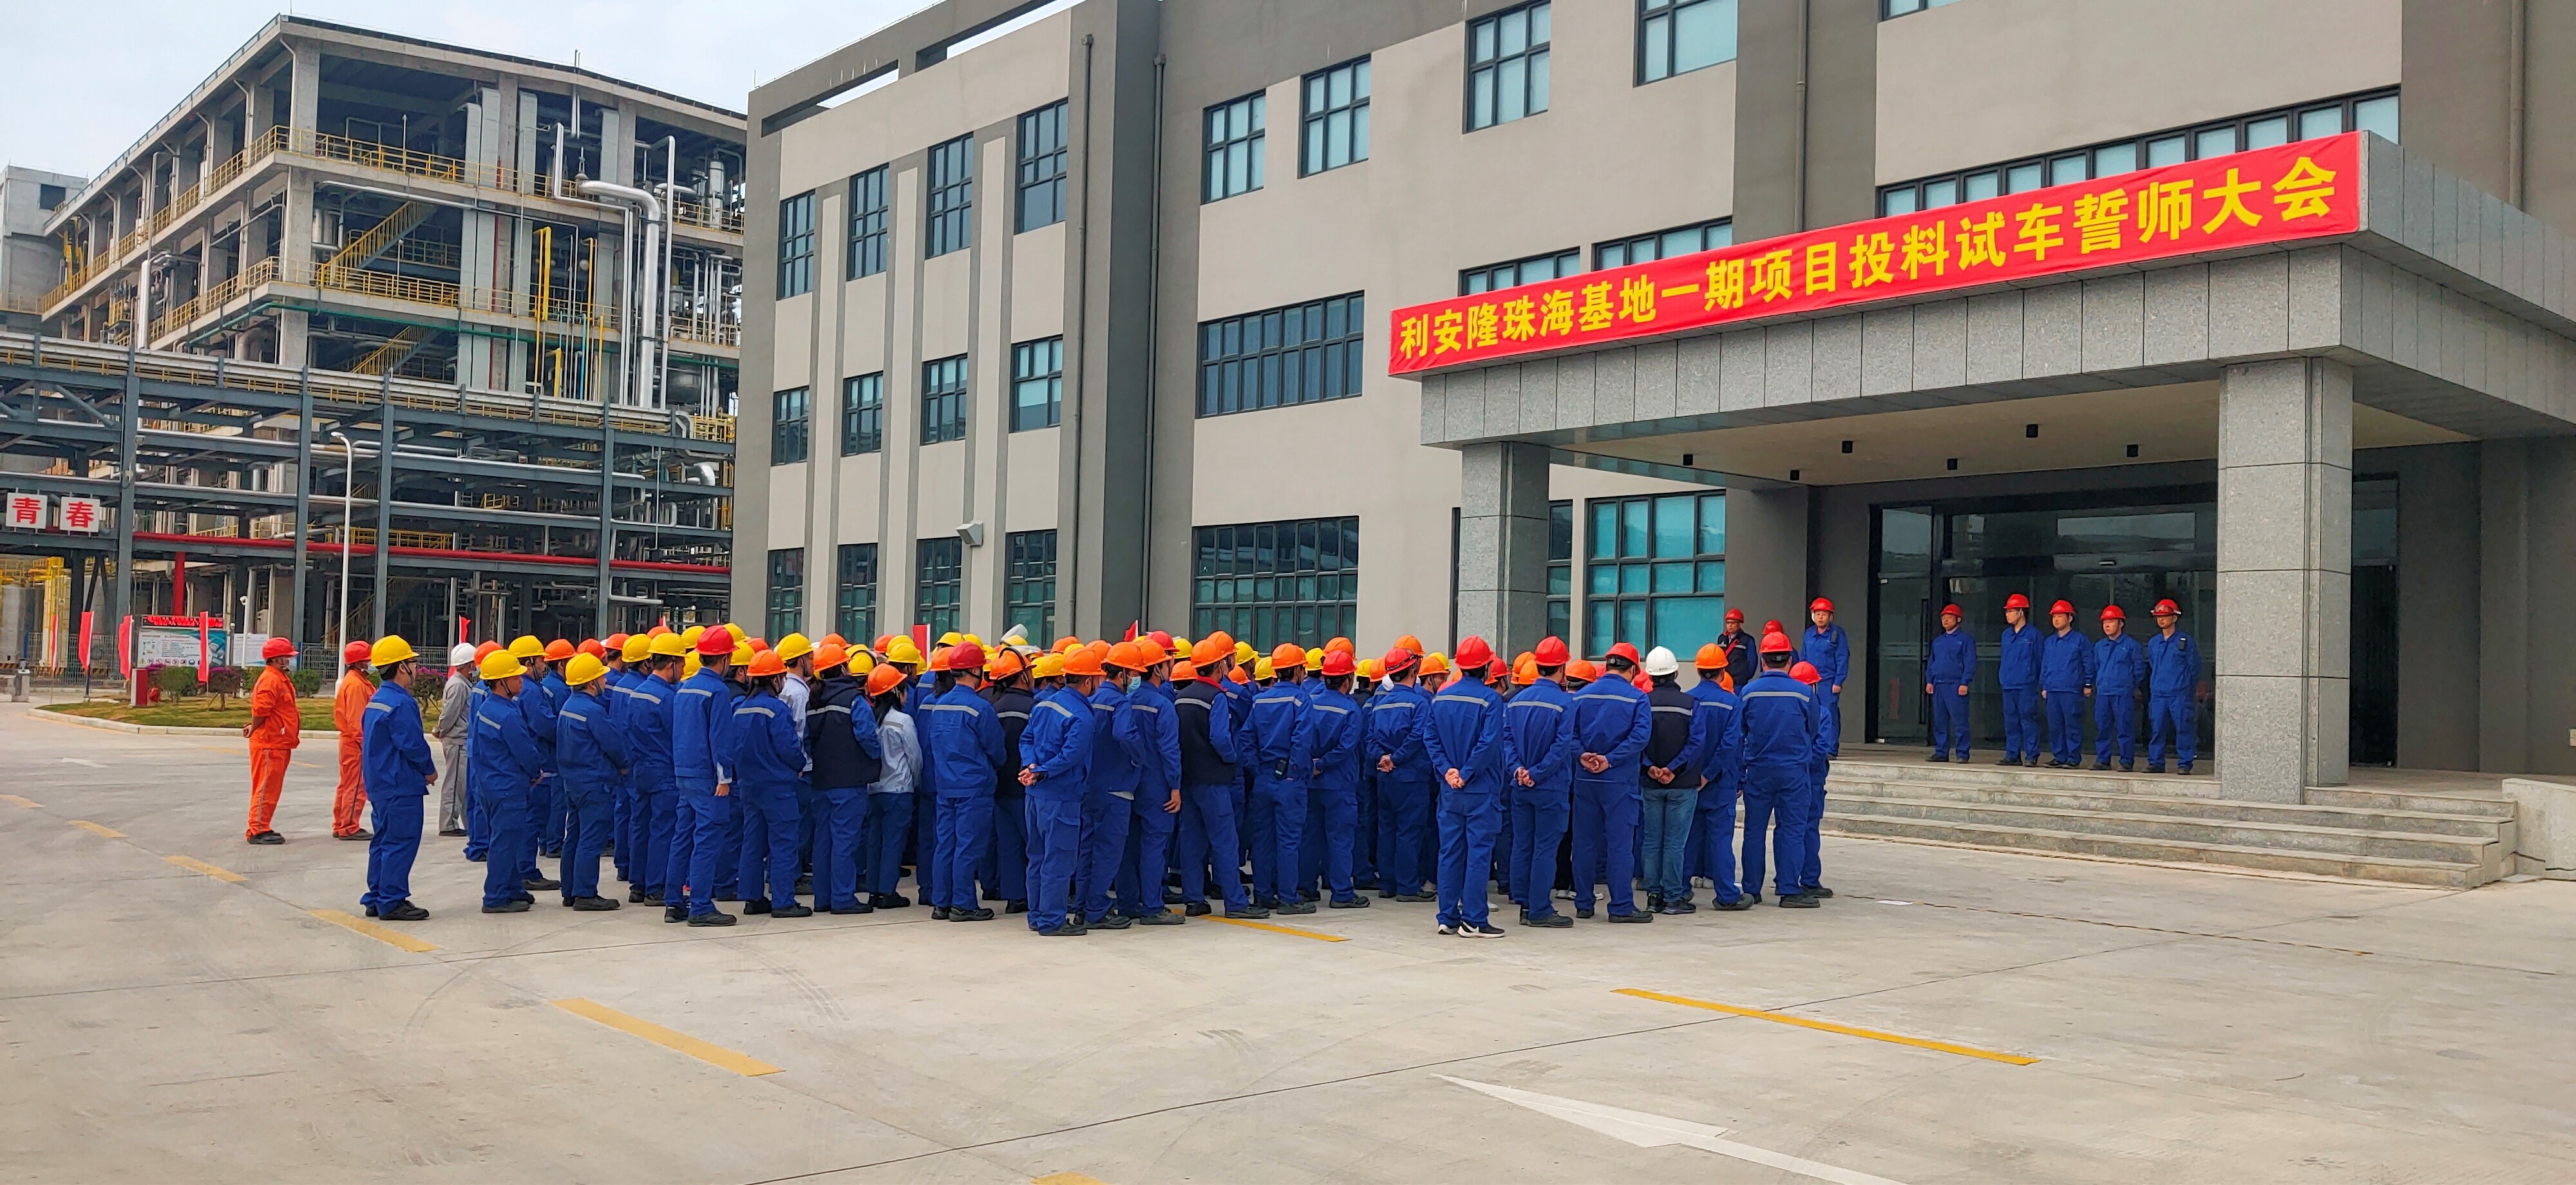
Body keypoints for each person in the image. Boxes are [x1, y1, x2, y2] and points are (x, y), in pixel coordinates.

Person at [1419, 636, 1513, 938]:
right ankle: (1474, 919)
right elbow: (1489, 743)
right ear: (1487, 668)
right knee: (1478, 854)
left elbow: (1430, 738)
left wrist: (1448, 771)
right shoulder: (1490, 700)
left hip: (1451, 789)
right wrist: (1467, 773)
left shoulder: (1441, 697)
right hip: (1480, 788)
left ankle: (1447, 917)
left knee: (1450, 852)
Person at [1174, 639, 1264, 919]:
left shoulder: (1182, 697)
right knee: (1225, 841)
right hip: (1214, 779)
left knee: (1192, 840)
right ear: (1221, 665)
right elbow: (1221, 738)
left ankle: (1193, 899)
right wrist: (1232, 759)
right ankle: (1235, 902)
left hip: (1188, 778)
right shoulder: (1218, 697)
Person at [1739, 632, 1827, 907]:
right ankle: (1789, 889)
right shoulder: (1804, 693)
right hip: (1794, 771)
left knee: (1754, 831)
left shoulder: (1748, 692)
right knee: (1792, 830)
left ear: (1762, 660)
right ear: (1790, 660)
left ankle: (1752, 889)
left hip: (1759, 770)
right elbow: (1813, 730)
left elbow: (1741, 731)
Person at [724, 650, 812, 918]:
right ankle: (783, 901)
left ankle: (752, 898)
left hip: (749, 786)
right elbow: (789, 746)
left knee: (753, 843)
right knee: (783, 843)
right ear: (775, 679)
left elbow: (733, 747)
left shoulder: (741, 708)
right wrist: (799, 764)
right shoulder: (776, 709)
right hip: (777, 787)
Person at [1568, 642, 1651, 922]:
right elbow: (1640, 737)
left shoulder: (1581, 696)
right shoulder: (1638, 699)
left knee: (1584, 843)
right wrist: (1610, 759)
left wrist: (1583, 756)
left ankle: (1583, 903)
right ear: (1633, 670)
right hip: (1619, 780)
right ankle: (1621, 906)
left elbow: (1569, 734)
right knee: (1620, 846)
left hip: (1585, 778)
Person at [923, 641, 1006, 923]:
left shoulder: (939, 706)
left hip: (945, 785)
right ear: (975, 670)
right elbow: (997, 750)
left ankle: (942, 903)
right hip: (974, 787)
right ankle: (964, 904)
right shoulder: (980, 708)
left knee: (945, 844)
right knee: (968, 847)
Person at [1020, 645, 1099, 935]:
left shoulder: (1043, 704)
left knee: (1037, 857)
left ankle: (1037, 915)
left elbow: (1026, 739)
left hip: (1035, 794)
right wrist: (1042, 770)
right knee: (1059, 860)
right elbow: (1071, 756)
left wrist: (1032, 767)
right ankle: (1052, 920)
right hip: (1061, 796)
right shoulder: (1082, 715)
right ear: (1089, 680)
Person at [357, 636, 435, 922]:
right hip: (400, 784)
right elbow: (412, 744)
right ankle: (392, 900)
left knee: (383, 841)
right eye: (412, 663)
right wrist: (429, 769)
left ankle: (376, 896)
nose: (416, 668)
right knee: (401, 842)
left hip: (381, 784)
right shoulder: (402, 703)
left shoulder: (378, 699)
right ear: (402, 667)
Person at [806, 642, 884, 914]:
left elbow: (807, 741)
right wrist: (876, 757)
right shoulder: (853, 699)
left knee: (823, 840)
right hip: (849, 782)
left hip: (821, 780)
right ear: (843, 668)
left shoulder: (814, 700)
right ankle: (842, 898)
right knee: (845, 841)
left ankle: (823, 898)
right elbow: (868, 736)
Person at [1505, 637, 1577, 928]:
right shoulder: (1565, 703)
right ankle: (1539, 909)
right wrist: (1537, 773)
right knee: (1545, 848)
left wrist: (1518, 770)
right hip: (1550, 786)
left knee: (1522, 844)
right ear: (1561, 668)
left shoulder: (1516, 701)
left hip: (1520, 785)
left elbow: (1507, 740)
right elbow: (1561, 748)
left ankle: (1524, 903)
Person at [669, 629, 739, 925]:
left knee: (682, 838)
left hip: (684, 772)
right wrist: (725, 778)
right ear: (724, 659)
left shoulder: (685, 688)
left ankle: (674, 902)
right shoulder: (718, 691)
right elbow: (720, 739)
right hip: (707, 776)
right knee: (707, 840)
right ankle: (700, 906)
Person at [469, 647, 544, 913]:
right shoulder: (509, 715)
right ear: (501, 682)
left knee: (505, 840)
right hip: (508, 787)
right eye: (515, 677)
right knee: (505, 843)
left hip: (490, 785)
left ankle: (512, 888)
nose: (520, 681)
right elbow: (525, 752)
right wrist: (535, 773)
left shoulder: (487, 708)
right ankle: (496, 896)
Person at [553, 652, 630, 911]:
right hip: (594, 783)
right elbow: (613, 744)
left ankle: (570, 890)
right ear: (591, 682)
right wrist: (623, 766)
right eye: (601, 677)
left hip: (573, 782)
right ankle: (585, 893)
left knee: (574, 835)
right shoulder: (593, 711)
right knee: (591, 838)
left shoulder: (569, 706)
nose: (605, 681)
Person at [1119, 640, 1187, 924]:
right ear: (1158, 668)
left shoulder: (1127, 701)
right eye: (1168, 662)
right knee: (1155, 845)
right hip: (1157, 783)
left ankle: (1129, 902)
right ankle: (1152, 906)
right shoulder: (1162, 705)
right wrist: (1175, 786)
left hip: (1130, 780)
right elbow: (1170, 750)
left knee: (1130, 845)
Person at [1298, 648, 1369, 909]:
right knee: (1341, 839)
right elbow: (1347, 747)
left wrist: (1311, 764)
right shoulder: (1351, 709)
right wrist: (1323, 764)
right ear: (1348, 679)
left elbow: (1301, 736)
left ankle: (1306, 887)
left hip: (1311, 780)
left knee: (1310, 837)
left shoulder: (1310, 701)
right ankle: (1342, 893)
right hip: (1339, 783)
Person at [1685, 642, 1750, 911]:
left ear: (1698, 671)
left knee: (1689, 838)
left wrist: (1695, 775)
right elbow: (1731, 745)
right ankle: (1726, 895)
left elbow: (1686, 743)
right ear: (1723, 672)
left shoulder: (1688, 700)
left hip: (1690, 782)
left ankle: (1680, 890)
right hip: (1721, 782)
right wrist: (1710, 775)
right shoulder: (1732, 703)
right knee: (1721, 840)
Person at [1636, 647, 1700, 915]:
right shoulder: (1690, 704)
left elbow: (1636, 741)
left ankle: (1653, 896)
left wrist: (1650, 767)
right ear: (1675, 673)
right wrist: (1673, 769)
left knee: (1652, 840)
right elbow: (1696, 743)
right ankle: (1673, 897)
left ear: (1650, 676)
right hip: (1682, 784)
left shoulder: (1642, 703)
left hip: (1650, 784)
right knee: (1675, 843)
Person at [1367, 647, 1434, 902]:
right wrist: (1395, 759)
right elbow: (1418, 737)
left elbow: (1370, 738)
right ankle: (1407, 886)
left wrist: (1383, 758)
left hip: (1385, 777)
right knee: (1409, 831)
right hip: (1411, 777)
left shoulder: (1380, 703)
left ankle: (1388, 883)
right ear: (1413, 670)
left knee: (1387, 829)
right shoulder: (1419, 703)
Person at [625, 634, 683, 905]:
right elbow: (677, 735)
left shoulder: (637, 692)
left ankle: (638, 884)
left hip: (641, 769)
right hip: (663, 770)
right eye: (681, 664)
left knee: (641, 826)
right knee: (663, 828)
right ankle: (656, 887)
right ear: (671, 665)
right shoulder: (668, 698)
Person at [861, 662, 922, 908]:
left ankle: (874, 891)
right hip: (898, 790)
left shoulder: (871, 718)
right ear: (896, 692)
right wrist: (915, 783)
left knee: (875, 842)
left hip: (874, 790)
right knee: (894, 843)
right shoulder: (903, 720)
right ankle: (888, 892)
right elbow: (915, 757)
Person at [983, 649, 1035, 912]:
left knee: (1009, 844)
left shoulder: (994, 707)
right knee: (1034, 845)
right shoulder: (1032, 707)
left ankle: (1015, 898)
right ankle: (1036, 896)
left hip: (999, 785)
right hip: (1026, 786)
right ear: (1022, 676)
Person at [242, 637, 301, 845]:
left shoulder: (278, 678)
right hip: (270, 743)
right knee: (266, 787)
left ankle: (262, 825)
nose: (289, 661)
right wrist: (254, 727)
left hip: (277, 742)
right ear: (276, 660)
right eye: (287, 657)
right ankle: (257, 829)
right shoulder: (271, 680)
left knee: (270, 787)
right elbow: (261, 711)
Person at [1788, 660, 1835, 900]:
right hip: (1810, 777)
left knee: (1789, 829)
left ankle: (1788, 879)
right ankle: (1808, 880)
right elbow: (1822, 747)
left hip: (1790, 774)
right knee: (1808, 828)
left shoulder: (1786, 710)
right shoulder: (1822, 712)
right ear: (1814, 686)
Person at [2144, 599, 2202, 775]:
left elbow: (2194, 668)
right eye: (2158, 617)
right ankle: (2156, 762)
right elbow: (2152, 665)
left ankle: (2185, 763)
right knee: (2157, 729)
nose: (2161, 620)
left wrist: (2185, 687)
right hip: (2159, 693)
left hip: (2179, 693)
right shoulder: (2154, 643)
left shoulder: (2185, 641)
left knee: (2183, 728)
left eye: (2165, 616)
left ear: (2174, 618)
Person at [2038, 600, 2094, 768]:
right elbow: (2045, 664)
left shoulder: (2080, 640)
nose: (2056, 620)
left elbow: (2088, 662)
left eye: (2060, 616)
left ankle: (2073, 758)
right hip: (2053, 689)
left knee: (2072, 724)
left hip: (2071, 689)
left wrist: (2088, 683)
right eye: (2054, 616)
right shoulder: (2050, 641)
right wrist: (2044, 685)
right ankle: (2059, 756)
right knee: (2055, 725)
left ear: (2070, 618)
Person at [461, 640, 504, 860]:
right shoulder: (489, 690)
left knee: (474, 797)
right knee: (481, 800)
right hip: (485, 751)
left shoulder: (478, 687)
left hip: (474, 748)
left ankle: (476, 842)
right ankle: (480, 845)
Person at [2091, 605, 2146, 772]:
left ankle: (2126, 761)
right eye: (2104, 622)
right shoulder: (2100, 646)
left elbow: (2139, 669)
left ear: (2121, 623)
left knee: (2125, 728)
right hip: (2103, 692)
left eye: (2111, 621)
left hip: (2123, 693)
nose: (2107, 625)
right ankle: (2103, 760)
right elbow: (2097, 666)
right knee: (2102, 727)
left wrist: (2129, 684)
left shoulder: (2131, 645)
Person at [332, 640, 377, 841]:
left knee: (347, 784)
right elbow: (357, 720)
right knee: (356, 785)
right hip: (356, 743)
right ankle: (349, 826)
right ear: (359, 663)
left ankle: (341, 823)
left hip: (351, 742)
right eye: (368, 660)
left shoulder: (356, 681)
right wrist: (364, 746)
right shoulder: (357, 685)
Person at [1924, 604, 1975, 763]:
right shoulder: (1938, 641)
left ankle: (1962, 753)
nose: (1945, 621)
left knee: (1960, 721)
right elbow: (1932, 662)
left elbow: (1970, 662)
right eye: (1944, 618)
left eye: (1949, 618)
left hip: (1956, 685)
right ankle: (1941, 752)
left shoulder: (1965, 640)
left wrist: (1965, 682)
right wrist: (1929, 681)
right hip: (1939, 685)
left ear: (1958, 620)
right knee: (1940, 721)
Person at [1996, 593, 2041, 766]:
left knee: (2028, 719)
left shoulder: (2033, 634)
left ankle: (2031, 755)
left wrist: (2037, 681)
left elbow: (2040, 659)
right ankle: (2012, 754)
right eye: (2007, 611)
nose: (2007, 615)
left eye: (2011, 611)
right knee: (2011, 721)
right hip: (2008, 684)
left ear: (2021, 612)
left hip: (2026, 685)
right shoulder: (2006, 635)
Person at [436, 643, 477, 837]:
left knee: (462, 784)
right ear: (468, 665)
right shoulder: (459, 685)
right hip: (457, 740)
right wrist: (441, 730)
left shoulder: (461, 683)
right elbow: (450, 713)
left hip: (459, 739)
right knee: (454, 784)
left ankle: (465, 823)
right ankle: (448, 824)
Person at [1801, 599, 1850, 757]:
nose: (1820, 617)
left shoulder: (1837, 634)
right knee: (1809, 713)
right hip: (1810, 682)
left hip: (1828, 682)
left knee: (1830, 713)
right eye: (1817, 614)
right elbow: (1803, 657)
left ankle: (1831, 749)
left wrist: (1838, 681)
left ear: (1831, 616)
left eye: (1824, 614)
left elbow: (1842, 658)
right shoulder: (1809, 633)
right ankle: (1812, 746)